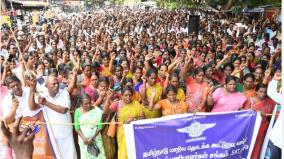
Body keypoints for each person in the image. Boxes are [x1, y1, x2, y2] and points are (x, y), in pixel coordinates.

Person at [28, 75, 77, 159]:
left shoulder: (64, 93)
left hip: (65, 134)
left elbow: (63, 110)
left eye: (57, 83)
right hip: (51, 135)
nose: (56, 85)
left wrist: (46, 103)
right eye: (53, 84)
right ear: (46, 86)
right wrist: (32, 90)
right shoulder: (43, 95)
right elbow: (32, 107)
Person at [104, 86, 146, 159]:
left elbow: (143, 118)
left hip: (135, 133)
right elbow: (106, 111)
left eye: (130, 95)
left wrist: (133, 119)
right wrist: (108, 98)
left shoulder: (136, 104)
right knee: (123, 153)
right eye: (126, 95)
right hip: (122, 134)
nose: (128, 97)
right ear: (121, 95)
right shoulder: (118, 104)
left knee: (135, 153)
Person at [244, 83, 275, 159]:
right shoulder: (250, 100)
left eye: (265, 92)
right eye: (261, 91)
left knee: (258, 149)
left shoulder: (270, 102)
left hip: (263, 129)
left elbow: (273, 115)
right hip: (251, 129)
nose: (263, 94)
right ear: (256, 91)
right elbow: (244, 113)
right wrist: (255, 112)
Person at [74, 93, 106, 159]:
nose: (88, 105)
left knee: (99, 156)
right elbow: (77, 128)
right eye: (86, 104)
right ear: (81, 104)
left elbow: (100, 126)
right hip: (83, 141)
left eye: (89, 103)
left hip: (96, 138)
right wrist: (84, 139)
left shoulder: (96, 110)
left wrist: (92, 137)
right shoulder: (77, 111)